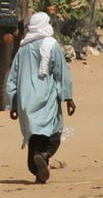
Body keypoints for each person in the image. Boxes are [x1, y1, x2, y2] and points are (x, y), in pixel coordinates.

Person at [6, 11, 74, 183]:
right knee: (53, 135)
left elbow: (12, 77)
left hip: (25, 100)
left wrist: (13, 103)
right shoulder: (52, 45)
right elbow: (61, 73)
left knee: (33, 135)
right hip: (47, 97)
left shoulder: (23, 48)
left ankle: (37, 170)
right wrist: (68, 98)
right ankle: (42, 155)